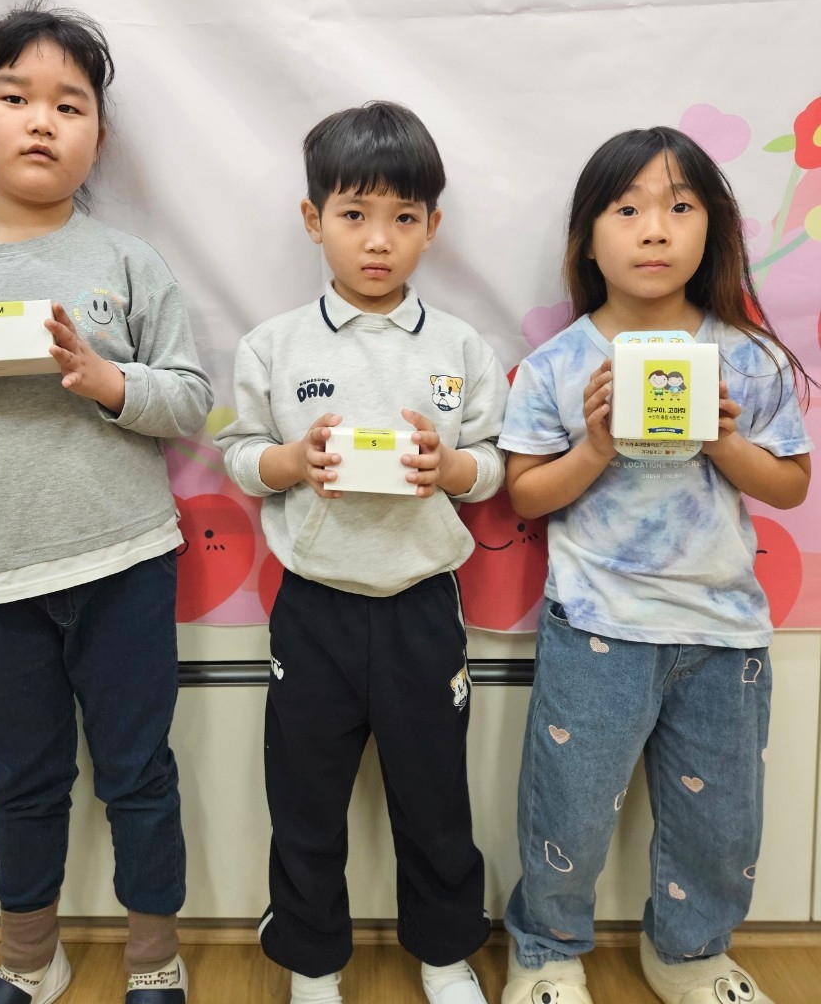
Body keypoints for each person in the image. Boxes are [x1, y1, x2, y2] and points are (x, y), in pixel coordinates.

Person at [0, 0, 212, 1004]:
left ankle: (154, 954)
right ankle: (29, 953)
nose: (42, 121)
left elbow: (189, 399)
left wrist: (104, 379)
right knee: (21, 774)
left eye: (70, 103)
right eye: (14, 97)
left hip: (126, 559)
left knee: (139, 769)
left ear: (98, 132)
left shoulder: (127, 261)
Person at [498, 127, 812, 1004]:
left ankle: (691, 954)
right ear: (586, 238)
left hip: (723, 630)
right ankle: (546, 951)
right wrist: (597, 445)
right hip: (597, 624)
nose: (655, 229)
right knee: (568, 809)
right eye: (626, 209)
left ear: (714, 229)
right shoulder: (558, 364)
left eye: (680, 207)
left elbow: (791, 485)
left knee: (721, 821)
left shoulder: (748, 357)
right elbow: (525, 495)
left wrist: (723, 440)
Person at [215, 101, 508, 1004]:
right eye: (354, 214)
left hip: (423, 604)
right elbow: (239, 456)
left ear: (432, 227)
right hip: (315, 606)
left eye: (403, 217)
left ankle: (445, 952)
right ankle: (313, 962)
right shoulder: (273, 345)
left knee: (435, 798)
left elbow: (493, 467)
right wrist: (292, 462)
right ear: (315, 220)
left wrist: (450, 467)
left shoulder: (461, 346)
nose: (378, 239)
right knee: (305, 800)